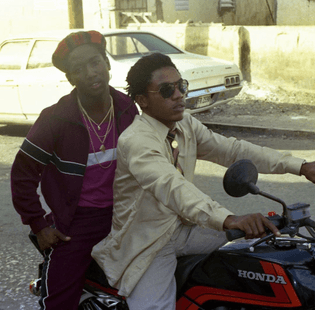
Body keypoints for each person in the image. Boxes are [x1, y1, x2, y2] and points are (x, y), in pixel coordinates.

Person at [91, 52, 315, 310]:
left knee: (262, 250)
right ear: (143, 100)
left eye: (180, 86)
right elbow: (172, 187)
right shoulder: (136, 141)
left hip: (188, 228)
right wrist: (229, 219)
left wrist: (299, 166)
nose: (178, 95)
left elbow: (233, 150)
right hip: (150, 241)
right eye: (166, 90)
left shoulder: (184, 123)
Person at [10, 30, 138, 310]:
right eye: (78, 69)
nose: (90, 73)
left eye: (95, 63)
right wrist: (39, 225)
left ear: (107, 64)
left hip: (126, 216)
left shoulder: (127, 109)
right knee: (59, 300)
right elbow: (22, 175)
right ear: (70, 79)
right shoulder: (55, 118)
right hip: (78, 223)